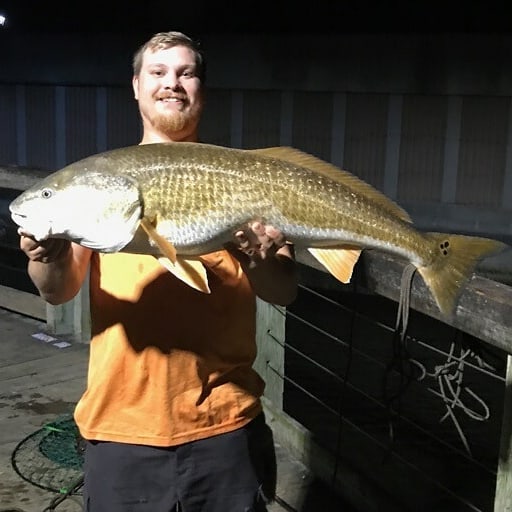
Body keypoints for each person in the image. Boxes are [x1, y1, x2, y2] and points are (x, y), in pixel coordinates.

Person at [18, 31, 298, 511]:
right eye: (159, 72)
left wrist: (264, 259)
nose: (173, 83)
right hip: (120, 430)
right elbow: (58, 291)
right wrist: (46, 257)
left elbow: (283, 292)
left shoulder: (242, 177)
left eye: (186, 73)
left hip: (225, 428)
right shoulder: (103, 184)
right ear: (136, 85)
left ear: (201, 90)